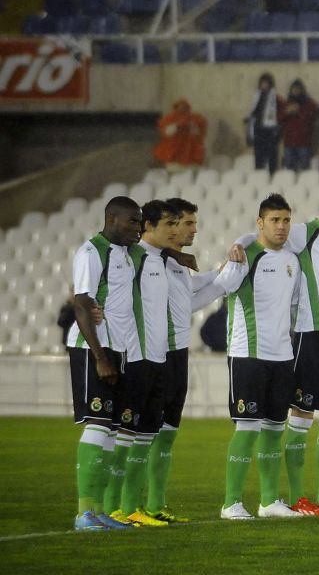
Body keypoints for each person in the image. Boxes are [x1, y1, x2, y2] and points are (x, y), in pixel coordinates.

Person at [229, 179, 319, 515]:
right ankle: (296, 497)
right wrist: (238, 242)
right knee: (301, 415)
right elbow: (259, 236)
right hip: (310, 336)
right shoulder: (303, 232)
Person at [214, 194, 305, 521]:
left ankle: (269, 502)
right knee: (248, 427)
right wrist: (235, 251)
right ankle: (231, 503)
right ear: (260, 223)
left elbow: (295, 308)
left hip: (282, 356)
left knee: (274, 428)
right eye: (274, 220)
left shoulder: (293, 262)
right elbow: (219, 288)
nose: (281, 227)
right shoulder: (244, 256)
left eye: (286, 220)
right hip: (247, 354)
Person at [66, 196, 141, 531]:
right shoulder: (91, 252)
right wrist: (100, 357)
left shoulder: (124, 254)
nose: (137, 229)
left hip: (119, 347)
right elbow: (81, 303)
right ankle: (84, 513)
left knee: (110, 430)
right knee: (97, 425)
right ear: (112, 218)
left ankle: (98, 511)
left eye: (139, 222)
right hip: (94, 348)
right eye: (132, 222)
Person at [111, 200, 184, 528]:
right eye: (169, 224)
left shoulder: (161, 260)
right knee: (125, 436)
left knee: (144, 437)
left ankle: (132, 507)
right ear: (149, 226)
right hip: (136, 359)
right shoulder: (132, 258)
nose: (176, 230)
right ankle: (112, 508)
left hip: (159, 360)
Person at [149, 198, 222, 523]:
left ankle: (155, 504)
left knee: (167, 430)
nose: (193, 229)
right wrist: (222, 281)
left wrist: (220, 278)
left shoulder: (173, 261)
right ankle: (129, 505)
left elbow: (186, 297)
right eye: (187, 223)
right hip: (154, 354)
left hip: (177, 352)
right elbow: (186, 303)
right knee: (143, 433)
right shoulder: (149, 260)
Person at [153, 99, 206, 170]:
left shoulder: (195, 118)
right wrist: (177, 126)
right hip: (174, 150)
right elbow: (166, 132)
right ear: (176, 107)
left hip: (189, 150)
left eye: (185, 107)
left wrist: (191, 125)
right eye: (180, 106)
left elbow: (199, 132)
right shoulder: (169, 118)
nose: (182, 109)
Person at [246, 73, 282, 175]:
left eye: (266, 83)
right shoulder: (256, 97)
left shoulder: (276, 98)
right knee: (259, 156)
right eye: (262, 83)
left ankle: (272, 174)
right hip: (258, 129)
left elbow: (281, 113)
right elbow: (253, 112)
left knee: (271, 156)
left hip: (270, 130)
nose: (264, 85)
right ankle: (259, 175)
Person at [280, 78, 317, 173]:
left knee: (305, 170)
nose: (295, 91)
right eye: (294, 89)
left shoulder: (309, 103)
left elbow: (312, 117)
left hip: (303, 142)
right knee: (288, 170)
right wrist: (287, 112)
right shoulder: (286, 104)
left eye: (298, 89)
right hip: (289, 142)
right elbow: (278, 118)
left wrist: (298, 111)